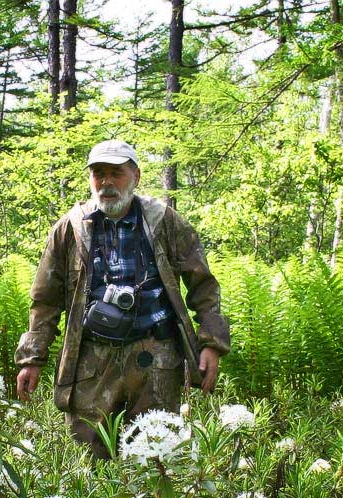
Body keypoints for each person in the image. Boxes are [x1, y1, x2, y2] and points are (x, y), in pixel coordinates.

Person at [14, 139, 230, 459]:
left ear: (136, 176)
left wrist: (211, 342)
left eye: (117, 173)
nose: (107, 183)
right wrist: (32, 358)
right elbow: (45, 299)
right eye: (98, 174)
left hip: (155, 361)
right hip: (91, 364)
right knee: (91, 467)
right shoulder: (69, 229)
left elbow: (204, 285)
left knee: (157, 463)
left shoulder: (164, 221)